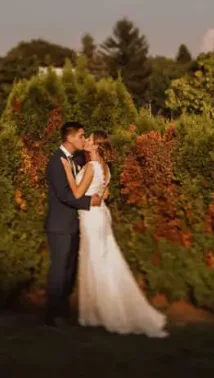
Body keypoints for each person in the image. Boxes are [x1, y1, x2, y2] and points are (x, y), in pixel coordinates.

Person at [61, 130, 169, 338]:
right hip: (101, 215)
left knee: (95, 261)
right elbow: (105, 193)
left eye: (89, 139)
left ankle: (107, 311)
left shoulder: (91, 167)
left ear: (96, 146)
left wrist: (67, 170)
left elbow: (76, 193)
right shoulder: (106, 168)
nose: (85, 141)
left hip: (91, 217)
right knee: (107, 259)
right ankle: (100, 311)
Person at [44, 121, 102, 326]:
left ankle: (63, 309)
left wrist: (89, 149)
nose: (83, 139)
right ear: (69, 138)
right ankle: (53, 314)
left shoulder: (77, 159)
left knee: (69, 269)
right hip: (59, 225)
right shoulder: (56, 161)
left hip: (75, 223)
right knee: (59, 269)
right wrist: (89, 202)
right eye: (80, 136)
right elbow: (64, 195)